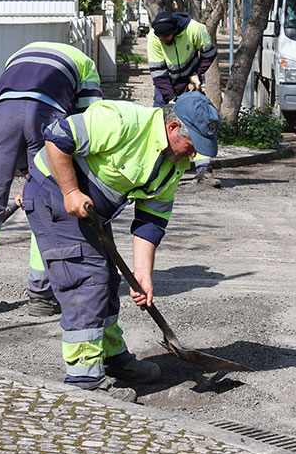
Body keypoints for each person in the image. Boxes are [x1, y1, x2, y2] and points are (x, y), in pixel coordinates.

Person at [21, 92, 221, 401]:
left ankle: (112, 356)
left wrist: (143, 274)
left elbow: (151, 219)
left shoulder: (175, 162)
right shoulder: (122, 121)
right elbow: (58, 136)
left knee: (108, 279)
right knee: (87, 280)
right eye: (192, 145)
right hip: (53, 192)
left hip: (92, 211)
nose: (193, 155)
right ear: (173, 127)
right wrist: (71, 191)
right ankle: (84, 381)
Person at [0, 42, 102, 317]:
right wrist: (62, 182)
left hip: (4, 114)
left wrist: (27, 174)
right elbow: (89, 124)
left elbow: (9, 109)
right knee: (46, 205)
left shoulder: (18, 55)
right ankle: (42, 296)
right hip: (47, 114)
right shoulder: (85, 64)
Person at [147, 11, 219, 186]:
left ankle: (204, 170)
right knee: (159, 126)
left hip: (189, 82)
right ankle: (153, 173)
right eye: (160, 37)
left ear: (175, 30)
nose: (163, 40)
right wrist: (171, 98)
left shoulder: (195, 29)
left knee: (199, 124)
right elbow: (158, 72)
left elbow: (209, 53)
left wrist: (196, 73)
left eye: (166, 37)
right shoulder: (154, 37)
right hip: (166, 83)